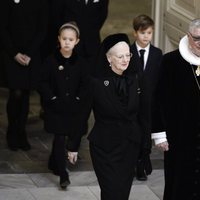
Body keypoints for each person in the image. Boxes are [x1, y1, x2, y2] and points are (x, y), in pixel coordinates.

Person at [87, 33, 151, 200]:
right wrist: (72, 144)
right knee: (111, 193)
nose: (125, 60)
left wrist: (145, 146)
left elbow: (144, 113)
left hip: (129, 146)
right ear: (109, 58)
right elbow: (81, 112)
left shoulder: (136, 79)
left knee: (122, 193)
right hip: (105, 147)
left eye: (128, 55)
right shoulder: (96, 83)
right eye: (120, 56)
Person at [152, 18, 200, 200]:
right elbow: (157, 100)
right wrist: (159, 134)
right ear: (188, 36)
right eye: (197, 39)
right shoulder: (170, 62)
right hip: (179, 137)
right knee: (179, 184)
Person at [38, 22, 89, 189]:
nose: (67, 42)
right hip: (56, 108)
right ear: (59, 39)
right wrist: (51, 98)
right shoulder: (50, 61)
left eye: (71, 39)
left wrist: (78, 99)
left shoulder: (80, 62)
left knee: (68, 136)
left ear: (77, 41)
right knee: (59, 138)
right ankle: (63, 174)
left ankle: (54, 162)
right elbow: (43, 82)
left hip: (73, 108)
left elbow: (84, 84)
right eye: (64, 38)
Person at [0, 0, 48, 151]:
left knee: (26, 93)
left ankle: (21, 132)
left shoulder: (40, 2)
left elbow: (42, 29)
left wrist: (29, 54)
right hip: (10, 53)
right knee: (16, 92)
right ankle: (12, 131)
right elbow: (2, 28)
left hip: (31, 54)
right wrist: (14, 54)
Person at [127, 14, 163, 181]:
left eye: (149, 33)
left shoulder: (157, 54)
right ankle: (133, 161)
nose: (146, 36)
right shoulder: (128, 52)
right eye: (142, 33)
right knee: (134, 132)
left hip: (150, 102)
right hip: (132, 102)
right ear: (135, 33)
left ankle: (143, 162)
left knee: (146, 132)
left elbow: (159, 78)